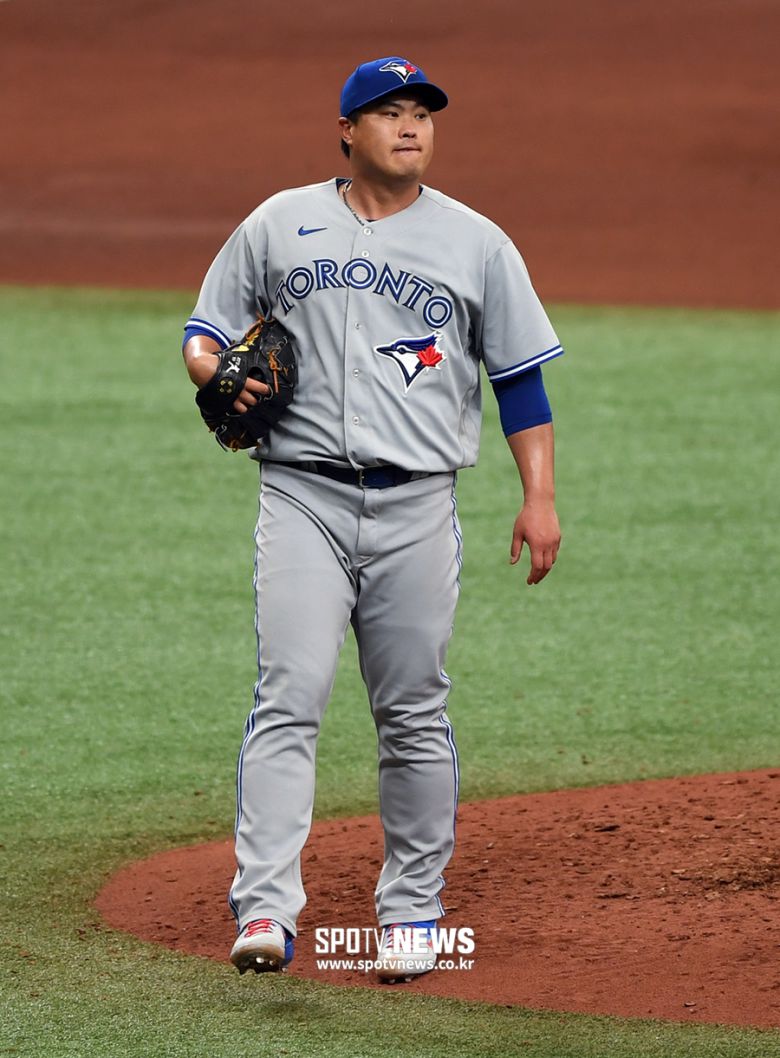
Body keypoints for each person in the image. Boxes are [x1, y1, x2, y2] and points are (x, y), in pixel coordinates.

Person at [182, 56, 563, 982]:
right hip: (301, 495)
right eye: (389, 112)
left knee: (413, 710)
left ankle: (413, 910)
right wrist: (215, 370)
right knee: (289, 694)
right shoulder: (279, 222)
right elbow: (205, 332)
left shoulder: (477, 242)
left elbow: (520, 381)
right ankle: (265, 907)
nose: (410, 126)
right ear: (347, 132)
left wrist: (540, 495)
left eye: (422, 113)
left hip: (419, 505)